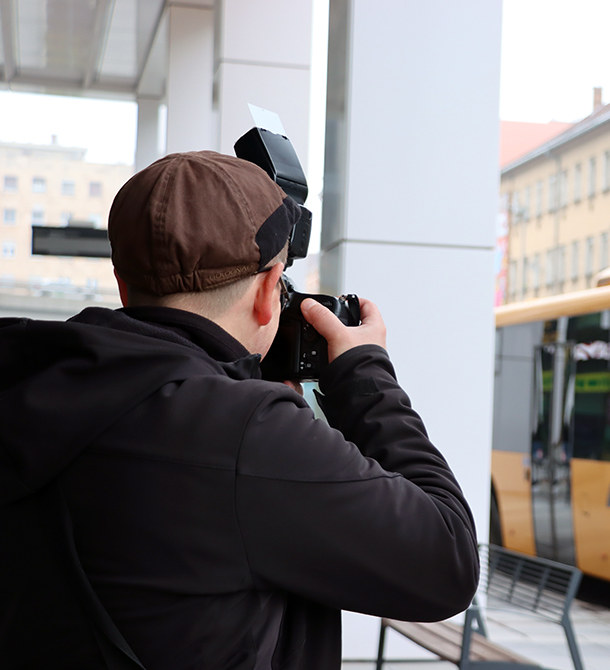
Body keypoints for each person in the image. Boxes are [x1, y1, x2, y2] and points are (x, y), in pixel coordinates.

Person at [0, 151, 480, 669]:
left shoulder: (25, 375)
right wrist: (367, 378)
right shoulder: (248, 433)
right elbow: (446, 563)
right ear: (269, 291)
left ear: (121, 281)